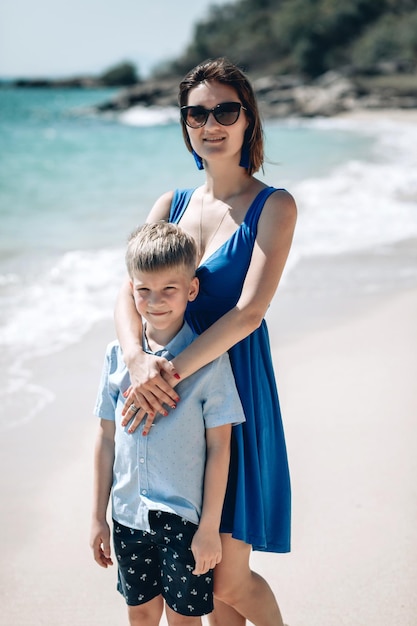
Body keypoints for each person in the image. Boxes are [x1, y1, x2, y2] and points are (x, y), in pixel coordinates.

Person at [115, 57, 297, 626]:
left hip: (232, 392)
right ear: (185, 123)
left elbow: (248, 313)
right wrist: (136, 359)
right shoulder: (169, 205)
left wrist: (166, 372)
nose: (210, 123)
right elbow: (127, 290)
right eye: (196, 112)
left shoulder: (275, 206)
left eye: (225, 110)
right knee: (196, 577)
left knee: (227, 575)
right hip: (169, 403)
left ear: (248, 120)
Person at [90, 222, 246, 626]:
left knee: (183, 620)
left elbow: (219, 448)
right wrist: (97, 517)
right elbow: (106, 439)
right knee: (140, 614)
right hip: (127, 514)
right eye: (143, 290)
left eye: (168, 290)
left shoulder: (210, 364)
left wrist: (209, 527)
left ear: (191, 290)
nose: (154, 301)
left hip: (183, 519)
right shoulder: (115, 358)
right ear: (131, 289)